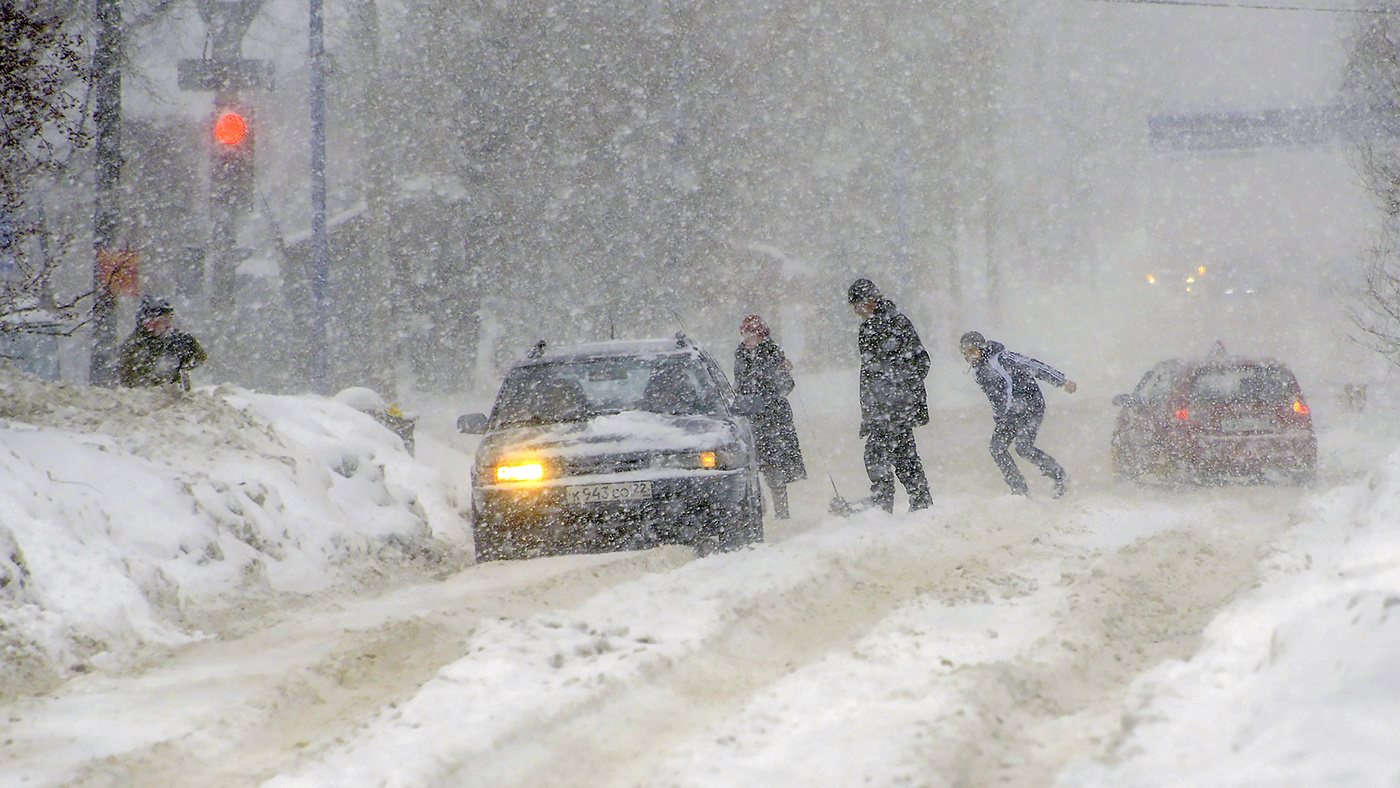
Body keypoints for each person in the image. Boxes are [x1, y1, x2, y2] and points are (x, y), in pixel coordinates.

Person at [847, 278, 933, 513]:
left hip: (895, 406)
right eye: (854, 308)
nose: (857, 312)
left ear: (872, 301)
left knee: (878, 454)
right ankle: (920, 503)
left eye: (859, 306)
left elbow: (922, 361)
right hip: (881, 407)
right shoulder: (868, 327)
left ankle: (882, 506)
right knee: (903, 455)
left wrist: (896, 388)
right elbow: (870, 373)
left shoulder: (895, 323)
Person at [959, 330, 1076, 498]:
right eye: (965, 353)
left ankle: (1060, 477)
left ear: (981, 348)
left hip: (1030, 405)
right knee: (997, 448)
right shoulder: (978, 372)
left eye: (972, 351)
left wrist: (1061, 381)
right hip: (1010, 414)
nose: (969, 356)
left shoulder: (1003, 358)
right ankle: (1019, 490)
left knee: (1023, 447)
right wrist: (999, 418)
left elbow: (1034, 366)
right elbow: (995, 398)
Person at [733, 314, 806, 519]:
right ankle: (757, 505)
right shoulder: (740, 354)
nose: (747, 338)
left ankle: (781, 511)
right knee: (751, 464)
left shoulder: (773, 353)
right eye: (744, 334)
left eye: (751, 334)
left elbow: (787, 385)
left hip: (774, 420)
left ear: (761, 335)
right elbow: (739, 384)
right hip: (751, 418)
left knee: (774, 466)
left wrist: (768, 397)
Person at [118, 296, 207, 389]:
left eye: (169, 320)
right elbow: (133, 385)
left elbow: (199, 359)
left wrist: (188, 358)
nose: (168, 325)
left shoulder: (177, 340)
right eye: (163, 320)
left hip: (175, 399)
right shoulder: (133, 348)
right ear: (148, 323)